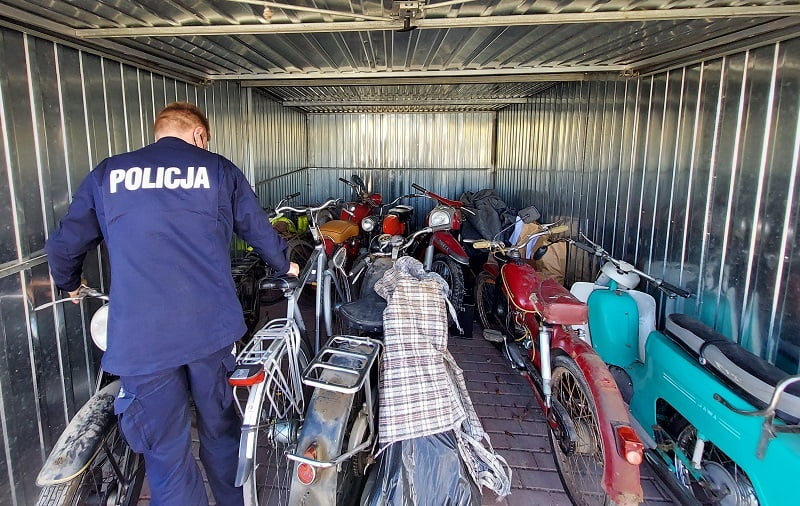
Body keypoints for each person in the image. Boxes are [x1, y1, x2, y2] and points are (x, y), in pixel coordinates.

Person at [44, 102, 299, 506]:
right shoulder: (218, 170)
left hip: (142, 339)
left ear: (159, 131)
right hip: (209, 330)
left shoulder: (108, 173)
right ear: (199, 134)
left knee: (166, 455)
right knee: (221, 431)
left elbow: (64, 245)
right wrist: (286, 264)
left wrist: (70, 283)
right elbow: (256, 228)